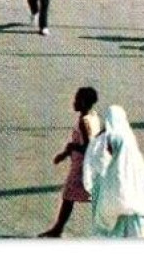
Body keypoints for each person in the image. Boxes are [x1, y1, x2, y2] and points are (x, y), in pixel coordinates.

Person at [82, 105, 144, 238]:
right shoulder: (130, 145)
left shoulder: (105, 140)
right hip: (136, 211)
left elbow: (94, 163)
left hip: (110, 207)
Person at [40, 86, 103, 237]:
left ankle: (58, 229)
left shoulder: (84, 121)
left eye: (76, 100)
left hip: (82, 166)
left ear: (82, 102)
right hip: (88, 164)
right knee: (84, 196)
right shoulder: (94, 116)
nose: (73, 102)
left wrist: (71, 147)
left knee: (69, 196)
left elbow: (88, 147)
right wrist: (65, 153)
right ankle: (58, 228)